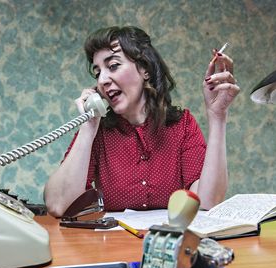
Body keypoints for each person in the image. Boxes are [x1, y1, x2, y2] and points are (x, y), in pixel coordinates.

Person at [44, 26, 240, 217]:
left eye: (113, 66)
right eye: (97, 73)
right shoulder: (98, 131)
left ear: (144, 69)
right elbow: (58, 205)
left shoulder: (182, 125)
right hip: (113, 248)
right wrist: (87, 128)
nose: (102, 80)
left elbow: (207, 204)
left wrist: (217, 116)